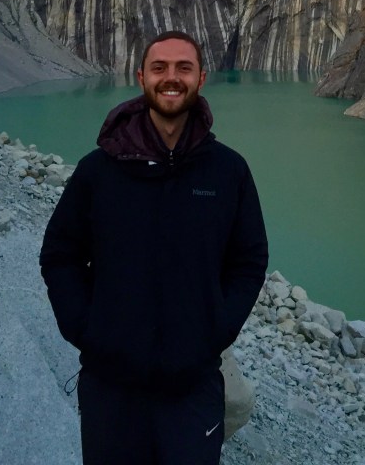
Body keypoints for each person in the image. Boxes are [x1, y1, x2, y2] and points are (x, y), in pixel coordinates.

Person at [40, 30, 268, 465]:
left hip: (193, 383)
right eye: (160, 67)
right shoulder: (98, 172)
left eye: (183, 68)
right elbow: (60, 254)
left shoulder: (228, 172)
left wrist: (216, 330)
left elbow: (249, 261)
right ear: (142, 76)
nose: (171, 78)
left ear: (201, 79)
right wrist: (86, 329)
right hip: (111, 384)